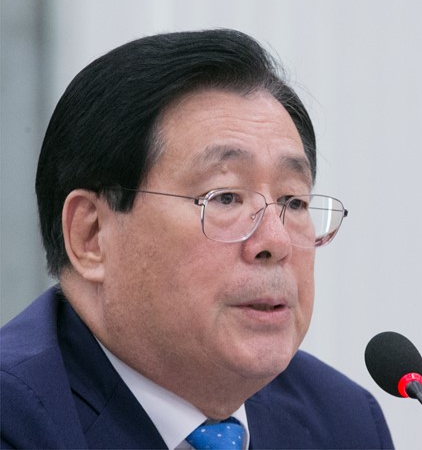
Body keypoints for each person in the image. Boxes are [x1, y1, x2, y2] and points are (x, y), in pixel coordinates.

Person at [0, 29, 393, 449]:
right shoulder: (15, 421)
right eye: (225, 197)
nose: (276, 241)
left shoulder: (343, 422)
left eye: (293, 202)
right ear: (92, 236)